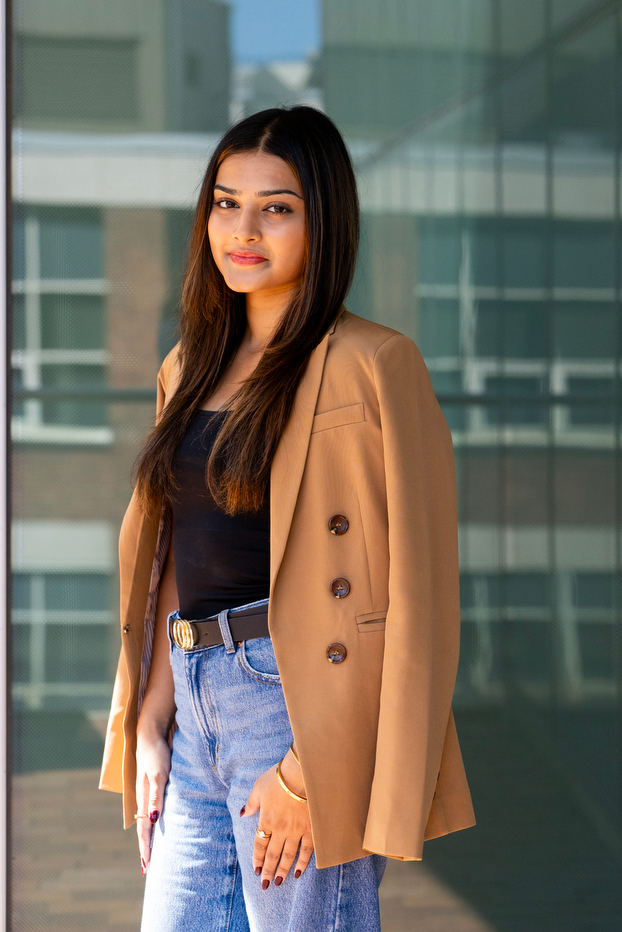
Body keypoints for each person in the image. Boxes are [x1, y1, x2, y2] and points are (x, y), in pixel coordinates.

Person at [99, 106, 475, 932]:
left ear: (324, 218)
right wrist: (154, 718)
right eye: (226, 203)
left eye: (277, 206)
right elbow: (174, 553)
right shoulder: (187, 365)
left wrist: (310, 771)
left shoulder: (375, 365)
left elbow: (417, 597)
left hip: (296, 705)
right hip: (192, 693)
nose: (243, 228)